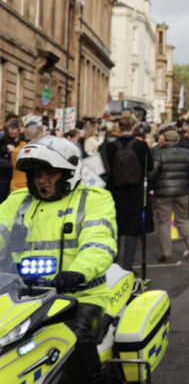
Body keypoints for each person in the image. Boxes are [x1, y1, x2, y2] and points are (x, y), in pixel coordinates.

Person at [0, 136, 117, 383]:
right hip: (21, 296)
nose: (42, 180)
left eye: (49, 173)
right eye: (36, 174)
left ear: (69, 173)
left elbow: (99, 242)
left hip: (80, 295)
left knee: (77, 339)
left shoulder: (94, 199)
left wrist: (79, 272)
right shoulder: (17, 202)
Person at [101, 114, 151, 270]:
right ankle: (128, 267)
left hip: (115, 191)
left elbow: (106, 168)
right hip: (135, 192)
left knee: (115, 228)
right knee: (132, 229)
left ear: (118, 127)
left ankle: (113, 266)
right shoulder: (141, 146)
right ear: (133, 127)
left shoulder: (110, 146)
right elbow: (150, 166)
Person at [149, 128, 189, 262]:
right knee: (183, 219)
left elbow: (152, 173)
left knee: (164, 223)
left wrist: (153, 183)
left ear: (165, 140)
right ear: (177, 140)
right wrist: (187, 177)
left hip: (163, 192)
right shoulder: (187, 153)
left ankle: (166, 253)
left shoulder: (158, 154)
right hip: (182, 190)